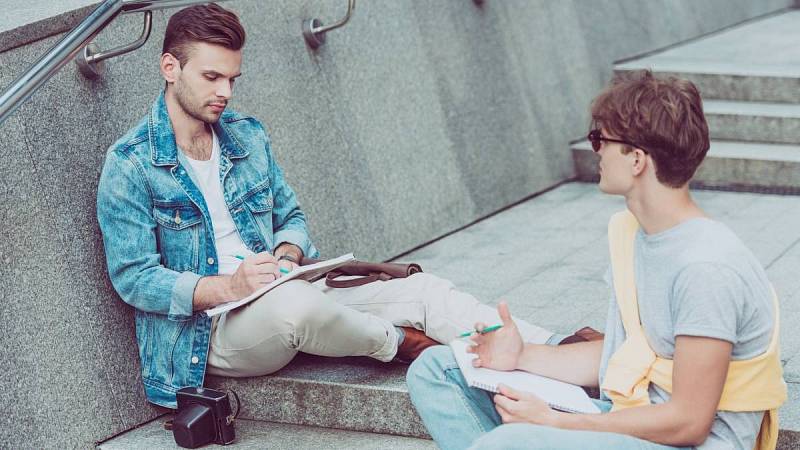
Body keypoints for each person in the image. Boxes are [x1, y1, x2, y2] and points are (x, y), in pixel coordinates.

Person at [95, 3, 557, 409]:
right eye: (211, 77)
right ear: (170, 67)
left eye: (233, 78)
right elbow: (134, 278)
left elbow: (291, 219)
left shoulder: (246, 136)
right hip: (210, 332)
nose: (226, 93)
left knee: (426, 291)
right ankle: (403, 345)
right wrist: (228, 286)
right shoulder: (131, 164)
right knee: (296, 306)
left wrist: (287, 255)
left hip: (288, 286)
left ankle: (554, 349)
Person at [406, 70, 787, 450]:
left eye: (600, 139)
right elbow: (623, 357)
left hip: (685, 442)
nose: (597, 151)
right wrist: (521, 354)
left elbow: (688, 422)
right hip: (630, 407)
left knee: (509, 442)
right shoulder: (641, 235)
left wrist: (556, 423)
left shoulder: (706, 268)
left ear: (636, 159)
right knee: (438, 369)